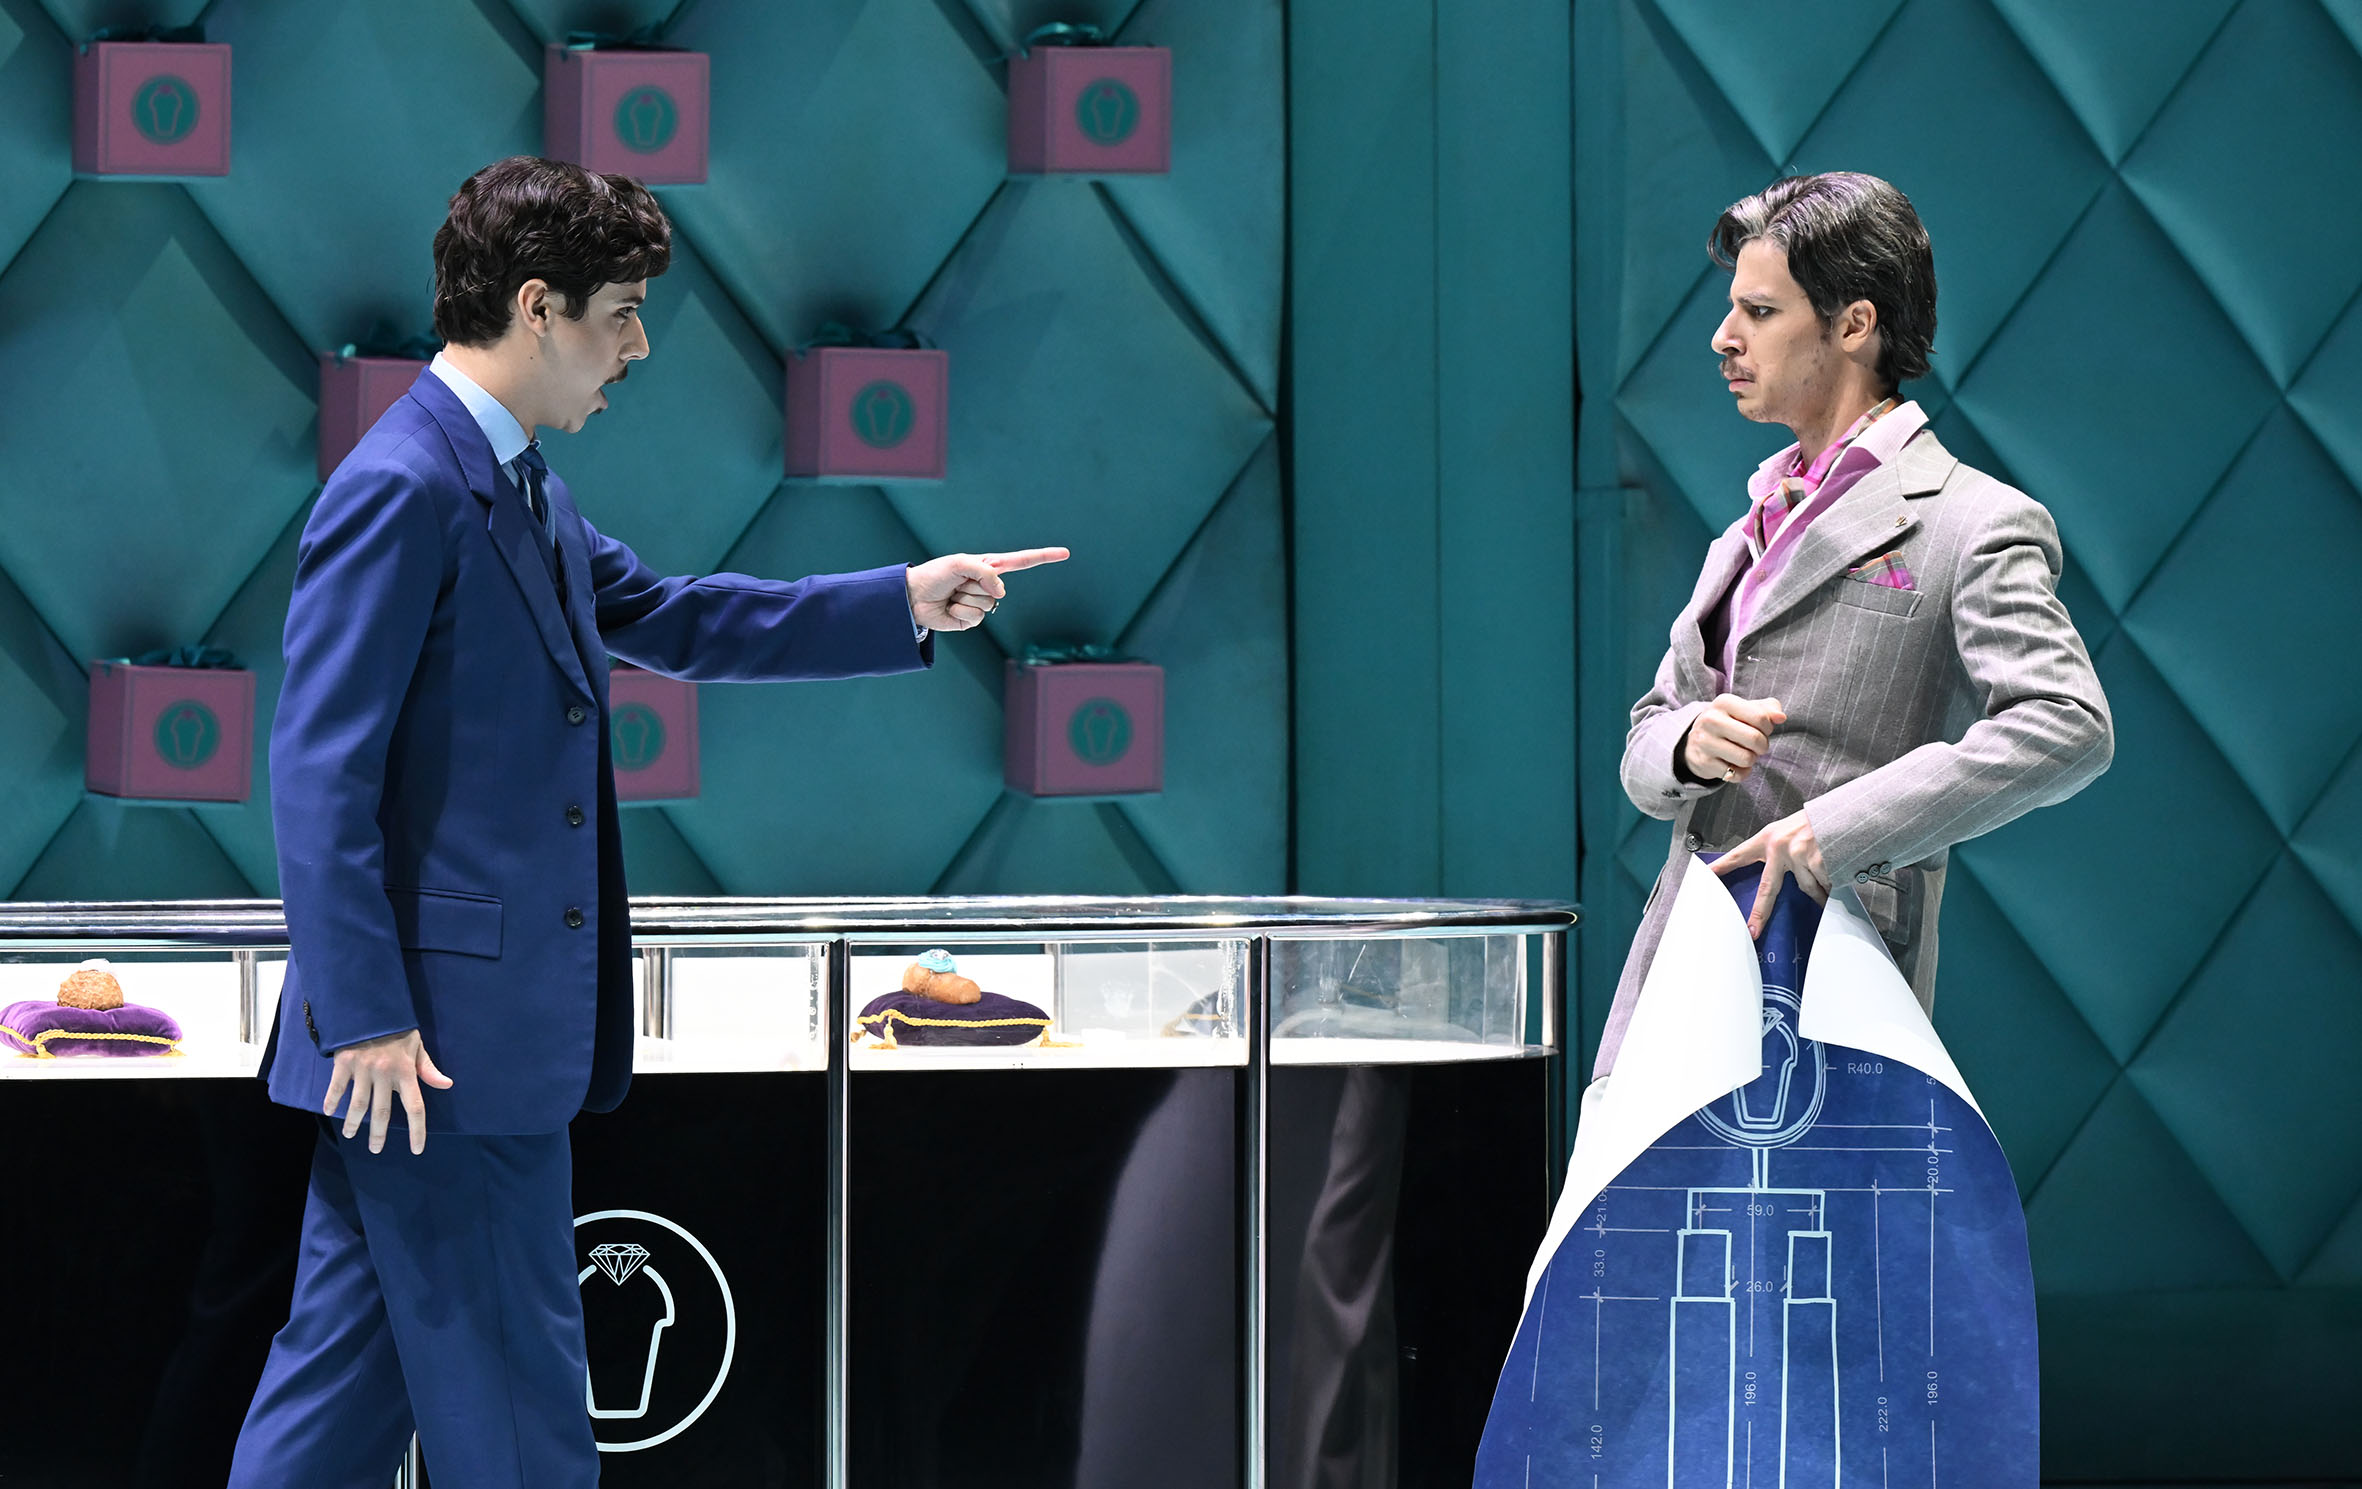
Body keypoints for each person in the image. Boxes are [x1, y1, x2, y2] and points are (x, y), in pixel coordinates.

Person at [229, 156, 1066, 1487]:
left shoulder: (515, 484)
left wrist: (901, 597)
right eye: (620, 312)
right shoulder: (407, 486)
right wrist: (369, 1016)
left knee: (339, 1391)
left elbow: (675, 616)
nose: (638, 344)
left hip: (442, 1039)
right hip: (438, 1046)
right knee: (521, 1414)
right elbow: (318, 772)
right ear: (537, 305)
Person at [1596, 171, 2113, 1079]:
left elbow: (2067, 724)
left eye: (1759, 311)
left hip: (1831, 986)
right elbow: (1646, 744)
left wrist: (1836, 828)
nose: (1723, 337)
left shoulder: (1972, 519)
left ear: (1854, 324)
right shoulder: (1745, 528)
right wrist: (1686, 742)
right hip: (1672, 981)